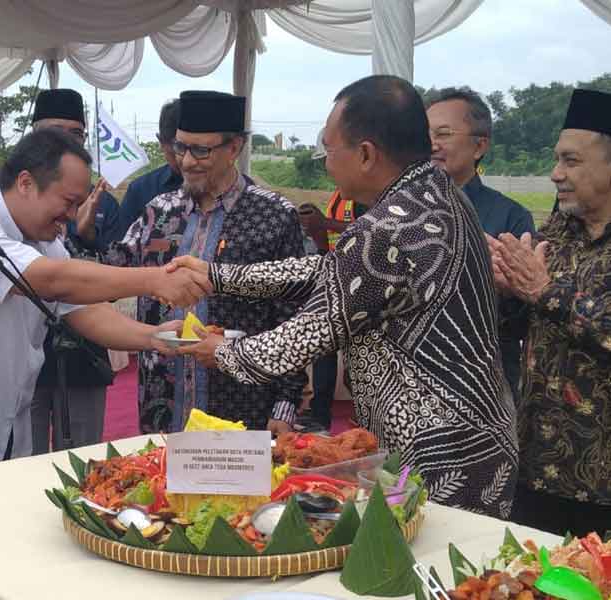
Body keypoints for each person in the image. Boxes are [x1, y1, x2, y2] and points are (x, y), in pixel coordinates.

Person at [174, 75, 518, 518]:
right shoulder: (439, 193)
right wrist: (219, 276)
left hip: (437, 456)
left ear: (367, 154)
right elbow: (334, 271)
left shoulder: (386, 227)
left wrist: (220, 351)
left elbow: (301, 339)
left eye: (329, 150)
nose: (326, 165)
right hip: (481, 435)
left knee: (426, 557)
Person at [0, 128, 209, 476]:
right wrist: (155, 279)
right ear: (26, 183)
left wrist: (155, 337)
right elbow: (52, 281)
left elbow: (83, 310)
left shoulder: (44, 241)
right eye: (68, 202)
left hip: (3, 429)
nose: (72, 215)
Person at [92, 90, 307, 434]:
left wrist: (285, 405)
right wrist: (77, 237)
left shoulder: (274, 216)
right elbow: (110, 272)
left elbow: (294, 320)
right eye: (181, 148)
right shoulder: (158, 212)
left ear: (234, 148)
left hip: (242, 405)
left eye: (201, 150)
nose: (187, 162)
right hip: (162, 405)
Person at [489, 88, 611, 535]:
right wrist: (508, 290)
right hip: (538, 463)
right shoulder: (557, 231)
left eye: (571, 161)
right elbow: (528, 323)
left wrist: (543, 291)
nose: (555, 174)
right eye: (557, 159)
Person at [426, 87, 536, 402]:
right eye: (426, 134)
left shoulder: (511, 218)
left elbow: (526, 318)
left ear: (480, 145)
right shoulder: (400, 210)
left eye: (443, 134)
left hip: (483, 385)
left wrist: (504, 288)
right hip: (413, 382)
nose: (432, 144)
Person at [29, 89, 119, 453]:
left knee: (82, 460)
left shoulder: (102, 201)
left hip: (84, 352)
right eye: (55, 131)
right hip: (25, 355)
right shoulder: (14, 199)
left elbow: (116, 278)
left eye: (76, 134)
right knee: (23, 462)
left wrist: (86, 238)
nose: (66, 141)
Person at [296, 186, 367, 432]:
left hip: (364, 284)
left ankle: (365, 419)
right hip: (338, 278)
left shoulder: (366, 194)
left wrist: (325, 222)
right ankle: (319, 415)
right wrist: (315, 228)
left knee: (357, 362)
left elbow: (372, 232)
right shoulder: (339, 195)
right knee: (323, 349)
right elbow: (327, 245)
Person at [115, 99, 184, 235]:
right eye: (175, 152)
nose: (186, 161)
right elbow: (120, 242)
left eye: (196, 150)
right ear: (161, 142)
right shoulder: (140, 190)